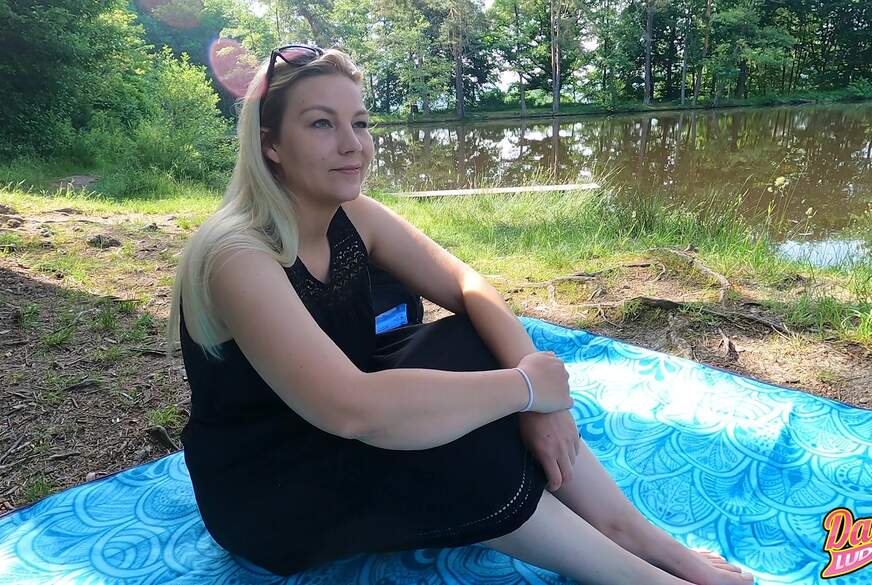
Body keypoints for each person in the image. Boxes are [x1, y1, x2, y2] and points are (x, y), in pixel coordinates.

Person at [164, 44, 756, 585]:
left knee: (476, 344)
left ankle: (636, 534)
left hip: (350, 421)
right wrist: (524, 389)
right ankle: (635, 576)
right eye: (322, 124)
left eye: (360, 123)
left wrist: (542, 402)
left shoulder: (355, 216)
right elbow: (351, 409)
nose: (353, 144)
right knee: (448, 436)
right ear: (270, 144)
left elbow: (468, 286)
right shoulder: (238, 255)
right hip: (271, 488)